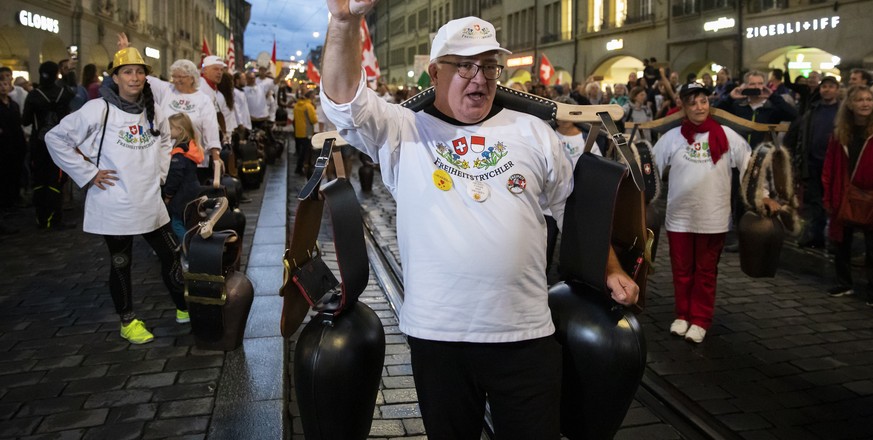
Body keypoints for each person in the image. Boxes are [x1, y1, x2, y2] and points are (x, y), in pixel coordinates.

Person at [320, 3, 639, 437]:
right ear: (434, 74)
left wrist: (611, 269)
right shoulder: (403, 131)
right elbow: (344, 103)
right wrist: (343, 22)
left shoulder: (533, 132)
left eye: (489, 67)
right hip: (439, 338)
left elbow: (573, 211)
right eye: (465, 67)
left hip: (527, 334)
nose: (481, 78)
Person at [43, 45, 188, 344]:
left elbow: (163, 143)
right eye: (127, 72)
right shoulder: (98, 109)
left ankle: (184, 306)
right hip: (115, 202)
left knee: (172, 253)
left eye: (139, 72)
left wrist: (159, 175)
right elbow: (55, 137)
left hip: (149, 200)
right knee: (121, 262)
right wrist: (87, 173)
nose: (134, 77)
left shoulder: (155, 109)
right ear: (116, 77)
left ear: (146, 77)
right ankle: (127, 320)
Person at [653, 83, 761, 343]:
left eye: (703, 101)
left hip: (713, 217)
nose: (699, 107)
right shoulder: (672, 137)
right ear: (684, 108)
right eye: (693, 103)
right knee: (681, 270)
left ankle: (700, 318)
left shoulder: (726, 135)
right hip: (680, 217)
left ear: (709, 103)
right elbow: (651, 167)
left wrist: (764, 195)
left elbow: (749, 167)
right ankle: (682, 314)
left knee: (705, 271)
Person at [821, 85, 873, 306]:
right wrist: (828, 195)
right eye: (860, 100)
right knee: (842, 241)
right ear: (850, 104)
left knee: (872, 247)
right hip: (844, 193)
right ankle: (844, 283)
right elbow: (829, 166)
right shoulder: (840, 134)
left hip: (870, 195)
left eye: (869, 99)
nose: (865, 103)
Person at [785, 76, 841, 249]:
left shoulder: (842, 111)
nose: (827, 90)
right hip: (814, 163)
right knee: (814, 203)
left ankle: (835, 240)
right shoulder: (813, 110)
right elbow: (800, 133)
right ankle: (816, 236)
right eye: (824, 87)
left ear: (837, 90)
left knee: (835, 202)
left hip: (834, 165)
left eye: (831, 87)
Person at [22, 61, 73, 230]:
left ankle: (41, 218)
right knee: (56, 180)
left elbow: (26, 120)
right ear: (56, 73)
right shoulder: (64, 94)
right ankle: (55, 218)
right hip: (58, 143)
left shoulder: (34, 95)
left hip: (38, 143)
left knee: (39, 180)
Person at [164, 113, 204, 241]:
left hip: (182, 193)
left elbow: (175, 176)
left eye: (170, 128)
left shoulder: (179, 153)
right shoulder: (191, 147)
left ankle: (189, 248)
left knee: (176, 223)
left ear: (179, 130)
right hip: (193, 188)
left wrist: (168, 194)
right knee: (190, 220)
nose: (167, 131)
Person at [0, 78, 27, 212]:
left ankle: (15, 198)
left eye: (5, 84)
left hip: (16, 143)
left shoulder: (14, 104)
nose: (3, 87)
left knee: (15, 172)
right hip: (3, 145)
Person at [293, 89, 318, 176]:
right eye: (314, 95)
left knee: (302, 151)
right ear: (311, 96)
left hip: (298, 132)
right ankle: (300, 168)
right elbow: (314, 120)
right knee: (306, 151)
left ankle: (301, 167)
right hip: (307, 132)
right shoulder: (308, 106)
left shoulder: (297, 105)